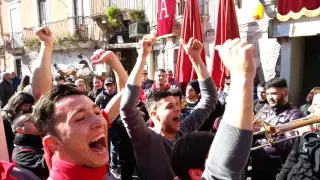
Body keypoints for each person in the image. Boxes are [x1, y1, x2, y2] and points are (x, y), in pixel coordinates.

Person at [31, 26, 128, 180]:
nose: (98, 121)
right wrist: (47, 45)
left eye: (97, 112)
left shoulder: (96, 124)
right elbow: (41, 96)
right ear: (53, 143)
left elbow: (125, 96)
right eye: (80, 118)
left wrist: (113, 61)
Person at [120, 34, 217, 180]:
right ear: (154, 115)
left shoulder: (185, 130)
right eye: (169, 106)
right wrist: (142, 57)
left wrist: (196, 59)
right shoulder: (146, 138)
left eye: (178, 104)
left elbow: (209, 99)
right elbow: (127, 109)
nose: (178, 109)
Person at [251, 77, 305, 180]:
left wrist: (265, 132)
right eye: (268, 94)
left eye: (274, 94)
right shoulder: (266, 109)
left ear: (285, 93)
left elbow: (292, 143)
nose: (269, 97)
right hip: (257, 163)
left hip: (275, 167)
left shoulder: (295, 114)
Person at [277, 91, 320, 180]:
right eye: (311, 104)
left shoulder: (308, 134)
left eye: (316, 105)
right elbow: (292, 158)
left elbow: (317, 164)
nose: (309, 109)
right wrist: (280, 178)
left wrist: (307, 135)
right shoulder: (311, 129)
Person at [11, 113, 49, 179]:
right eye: (32, 119)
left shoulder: (39, 143)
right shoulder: (20, 154)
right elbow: (47, 166)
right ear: (20, 130)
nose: (38, 121)